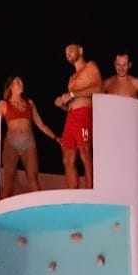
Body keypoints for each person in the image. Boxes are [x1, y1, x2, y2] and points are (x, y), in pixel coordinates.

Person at [0, 76, 59, 198]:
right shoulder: (3, 104)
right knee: (8, 182)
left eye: (21, 81)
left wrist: (56, 138)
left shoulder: (30, 103)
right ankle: (2, 208)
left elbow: (41, 124)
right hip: (11, 144)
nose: (21, 83)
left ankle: (39, 206)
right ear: (11, 87)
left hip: (29, 144)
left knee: (33, 178)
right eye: (17, 82)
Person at [53, 44, 103, 189]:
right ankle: (72, 193)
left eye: (70, 49)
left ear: (80, 50)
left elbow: (99, 89)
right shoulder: (72, 78)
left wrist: (73, 94)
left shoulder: (90, 66)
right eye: (66, 52)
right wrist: (62, 104)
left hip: (84, 114)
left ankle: (91, 190)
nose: (67, 53)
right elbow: (71, 103)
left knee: (85, 152)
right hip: (71, 117)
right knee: (67, 158)